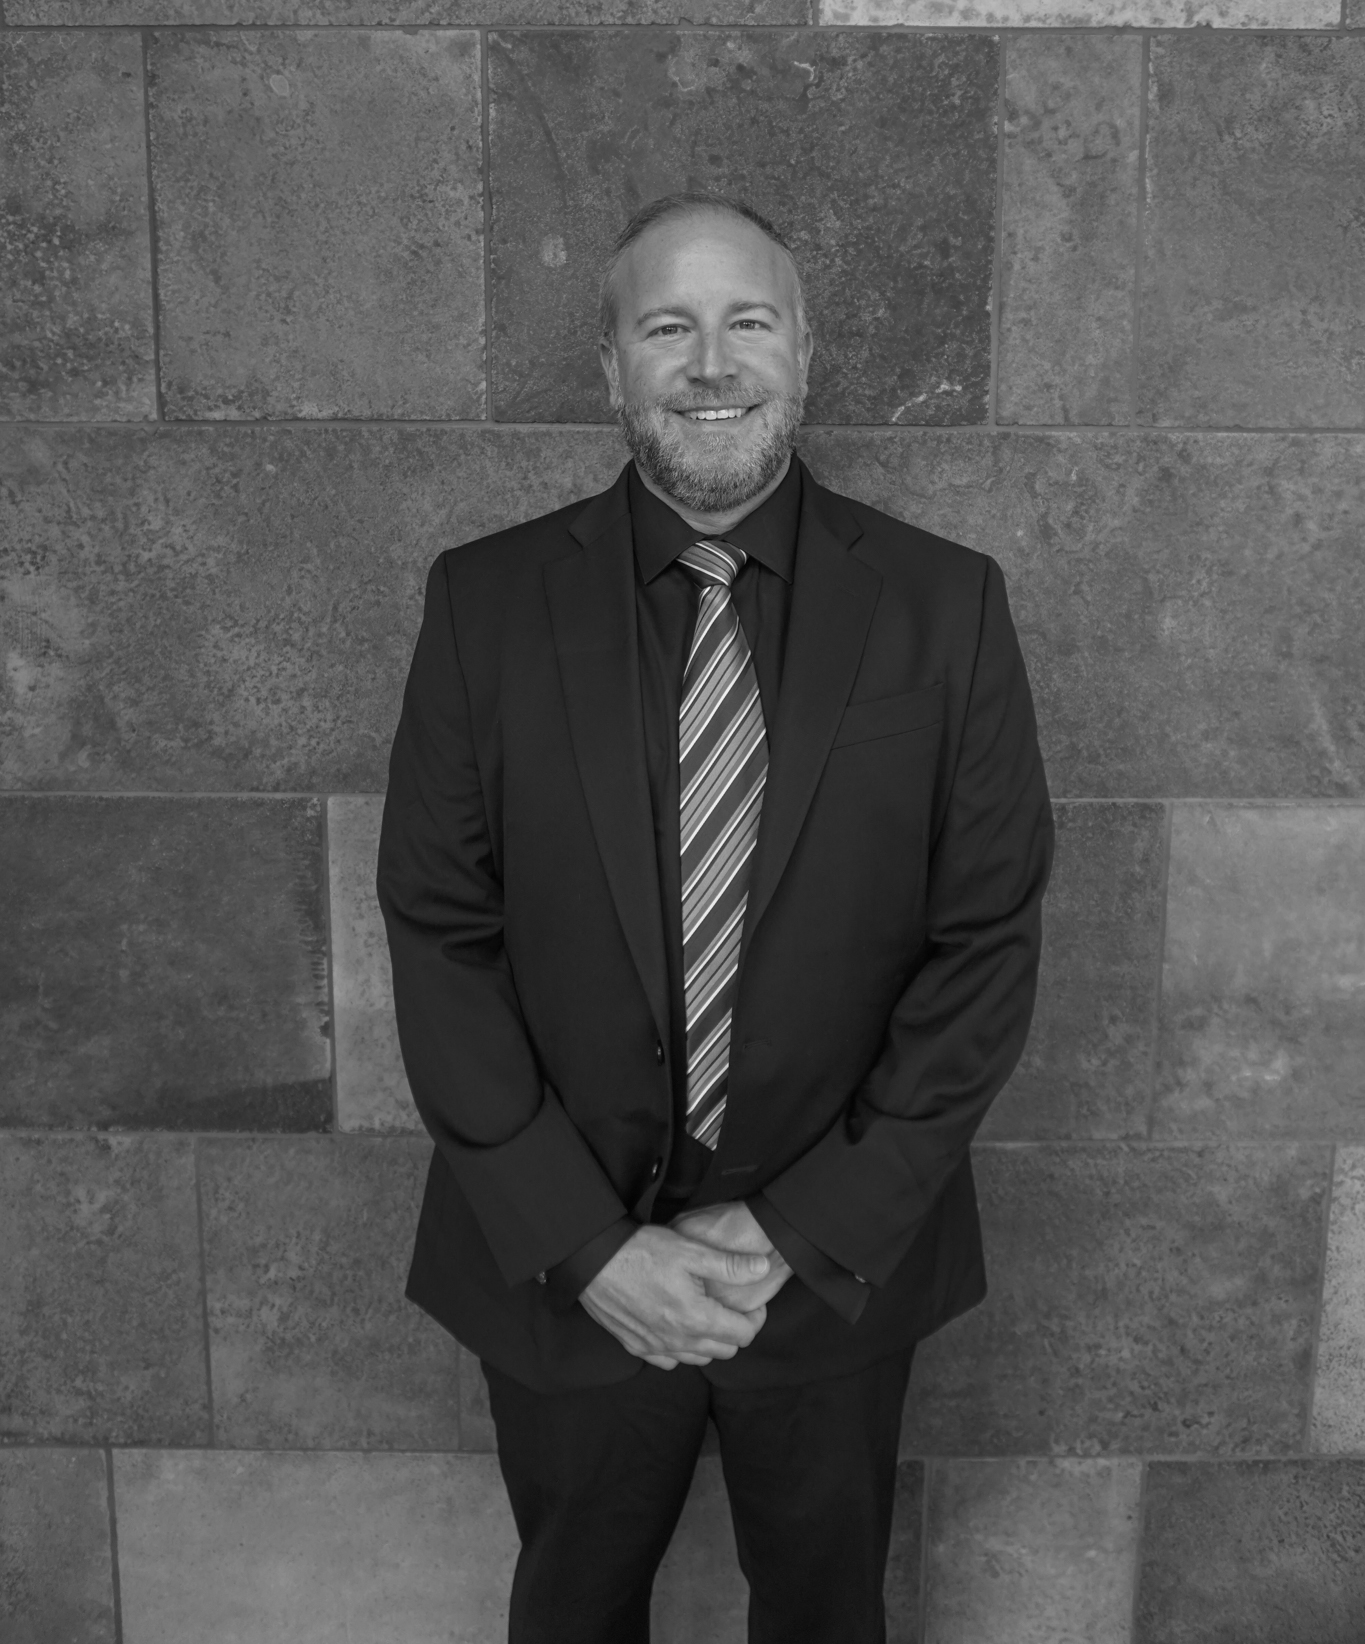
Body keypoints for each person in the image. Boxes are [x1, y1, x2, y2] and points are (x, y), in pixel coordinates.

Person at [377, 193, 1053, 1644]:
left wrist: (799, 1232)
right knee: (569, 1610)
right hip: (569, 1270)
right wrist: (590, 1247)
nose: (709, 361)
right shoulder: (484, 606)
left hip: (826, 1273)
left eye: (746, 320)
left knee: (823, 1611)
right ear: (609, 364)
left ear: (802, 352)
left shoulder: (945, 609)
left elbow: (983, 944)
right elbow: (439, 935)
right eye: (664, 326)